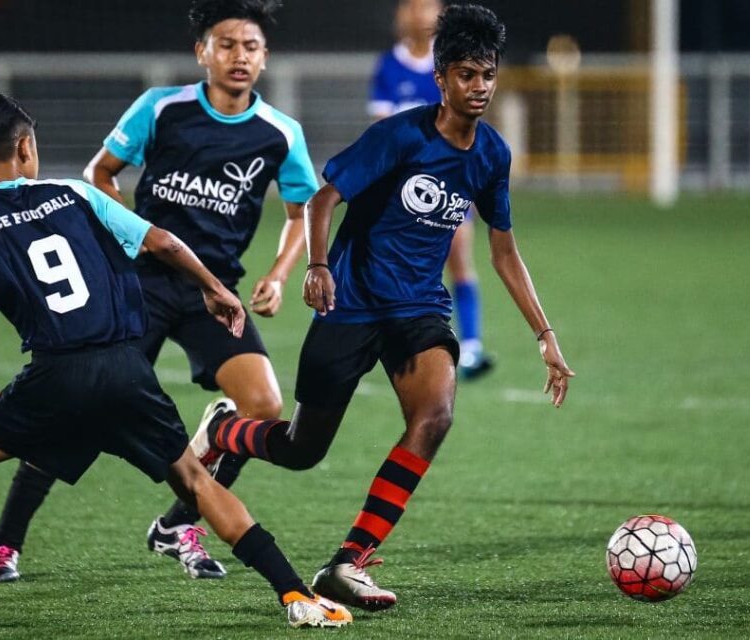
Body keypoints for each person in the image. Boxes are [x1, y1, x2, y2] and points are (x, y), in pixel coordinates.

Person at [0, 93, 351, 634]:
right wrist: (214, 289)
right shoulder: (73, 192)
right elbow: (162, 241)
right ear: (27, 147)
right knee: (196, 482)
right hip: (126, 371)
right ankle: (296, 595)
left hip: (54, 379)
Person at [189, 4, 574, 611]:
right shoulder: (401, 135)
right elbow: (323, 200)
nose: (479, 88)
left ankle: (348, 561)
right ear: (442, 78)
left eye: (488, 76)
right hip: (351, 304)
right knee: (300, 449)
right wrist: (317, 266)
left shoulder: (492, 155)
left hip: (417, 310)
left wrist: (545, 336)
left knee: (435, 416)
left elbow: (504, 252)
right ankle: (223, 431)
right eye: (467, 75)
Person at [0, 0, 319, 584]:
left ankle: (177, 522)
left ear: (265, 58)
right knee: (82, 407)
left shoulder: (280, 133)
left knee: (263, 406)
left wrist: (281, 272)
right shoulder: (162, 108)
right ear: (202, 52)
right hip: (140, 285)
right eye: (227, 44)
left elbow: (301, 211)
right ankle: (6, 542)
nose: (240, 56)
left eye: (252, 47)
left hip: (214, 291)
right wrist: (129, 236)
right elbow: (98, 174)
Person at [370, 0, 493, 379]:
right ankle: (367, 334)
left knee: (459, 257)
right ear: (402, 15)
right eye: (414, 7)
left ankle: (471, 347)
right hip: (401, 188)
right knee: (385, 262)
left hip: (452, 182)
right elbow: (383, 130)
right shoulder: (388, 66)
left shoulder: (454, 64)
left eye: (428, 8)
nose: (421, 15)